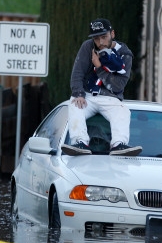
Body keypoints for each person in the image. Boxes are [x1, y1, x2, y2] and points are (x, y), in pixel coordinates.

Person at [61, 18, 142, 156]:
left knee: (122, 111)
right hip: (87, 96)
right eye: (96, 39)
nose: (101, 42)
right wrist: (79, 93)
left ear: (112, 34)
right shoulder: (87, 47)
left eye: (104, 37)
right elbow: (77, 73)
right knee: (74, 105)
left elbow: (118, 86)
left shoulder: (124, 54)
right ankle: (79, 142)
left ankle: (118, 144)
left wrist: (98, 67)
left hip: (111, 98)